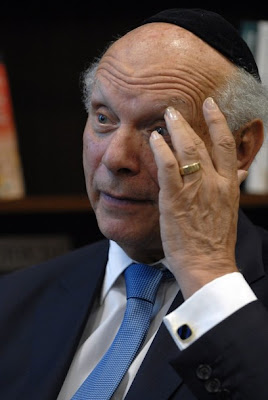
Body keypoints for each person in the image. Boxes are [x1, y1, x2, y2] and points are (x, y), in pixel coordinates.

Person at [1, 7, 268, 400]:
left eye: (160, 129)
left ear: (242, 148)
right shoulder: (13, 300)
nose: (115, 158)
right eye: (104, 118)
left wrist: (206, 274)